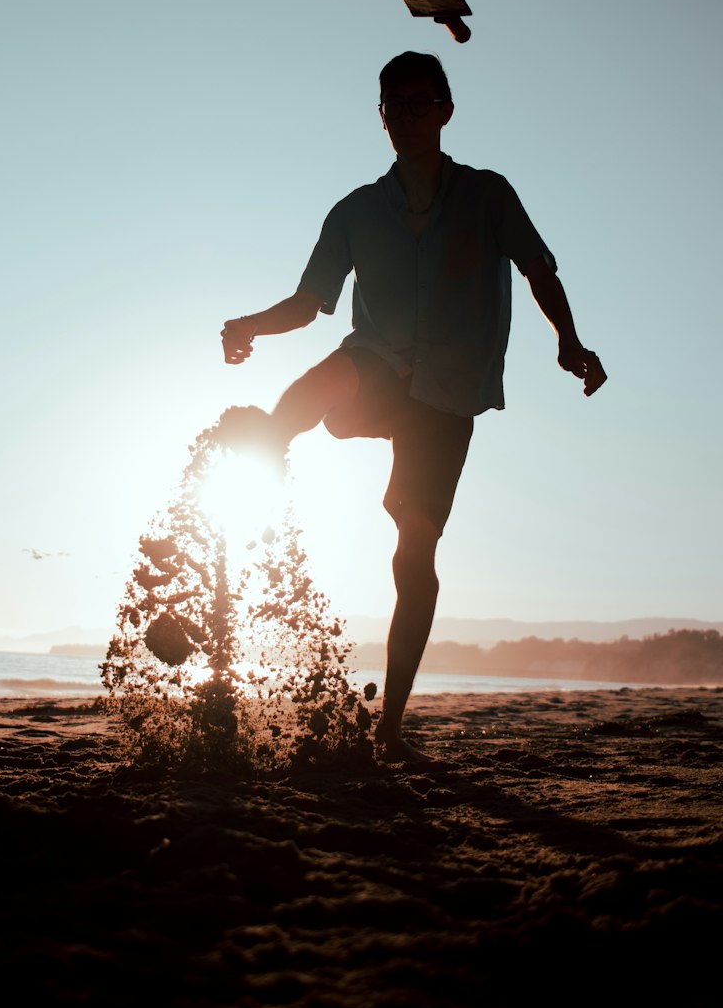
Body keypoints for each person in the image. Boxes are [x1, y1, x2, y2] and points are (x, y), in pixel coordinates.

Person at [219, 51, 606, 763]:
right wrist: (247, 325)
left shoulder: (488, 195)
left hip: (447, 399)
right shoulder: (356, 211)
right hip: (376, 371)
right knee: (309, 393)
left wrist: (569, 342)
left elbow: (537, 267)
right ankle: (257, 479)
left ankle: (390, 723)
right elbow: (310, 303)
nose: (407, 116)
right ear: (381, 116)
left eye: (420, 103)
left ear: (446, 111)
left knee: (415, 550)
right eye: (393, 105)